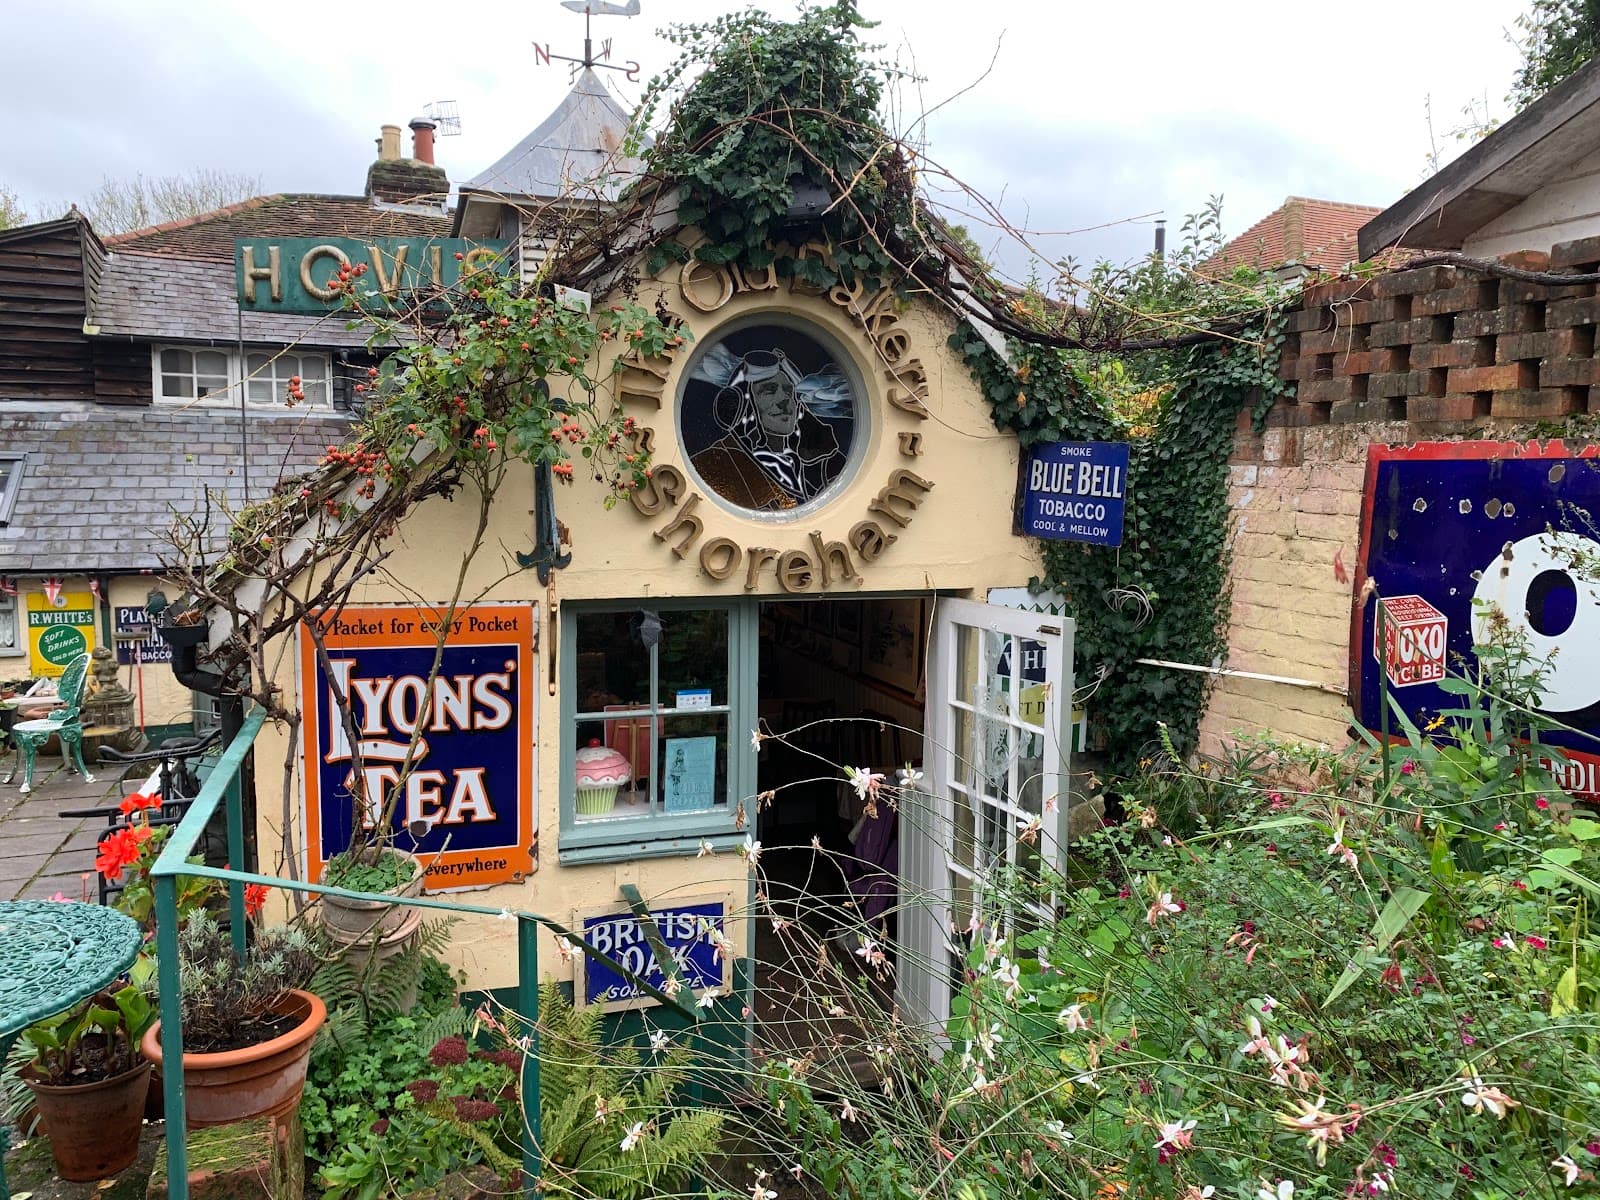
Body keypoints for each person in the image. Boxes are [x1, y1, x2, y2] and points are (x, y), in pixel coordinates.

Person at [689, 349, 846, 511]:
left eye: (788, 392)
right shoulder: (713, 465)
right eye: (769, 391)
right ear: (742, 405)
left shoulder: (823, 463)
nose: (783, 401)